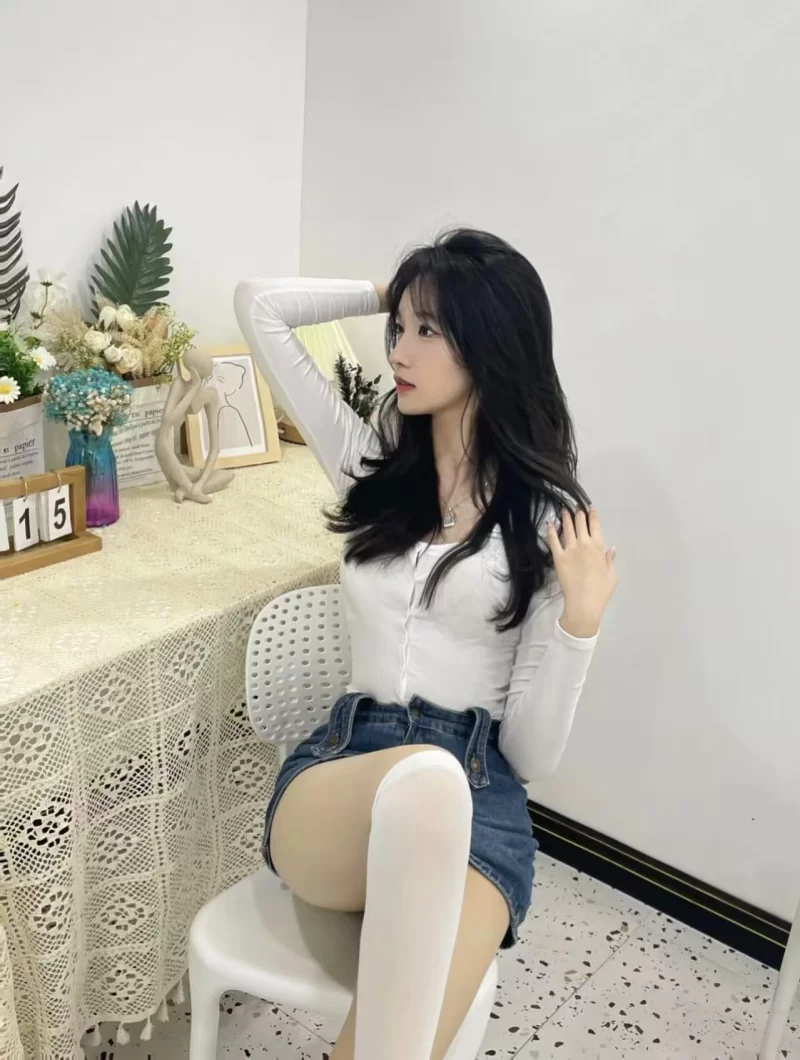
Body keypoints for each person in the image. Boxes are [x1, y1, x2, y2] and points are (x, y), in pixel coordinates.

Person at [234, 228, 618, 1059]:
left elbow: (532, 756)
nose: (399, 351)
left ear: (491, 342)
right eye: (398, 328)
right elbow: (258, 308)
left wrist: (579, 626)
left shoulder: (548, 519)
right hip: (345, 773)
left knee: (391, 1046)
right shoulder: (371, 464)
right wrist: (400, 287)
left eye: (429, 330)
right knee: (424, 780)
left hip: (480, 798)